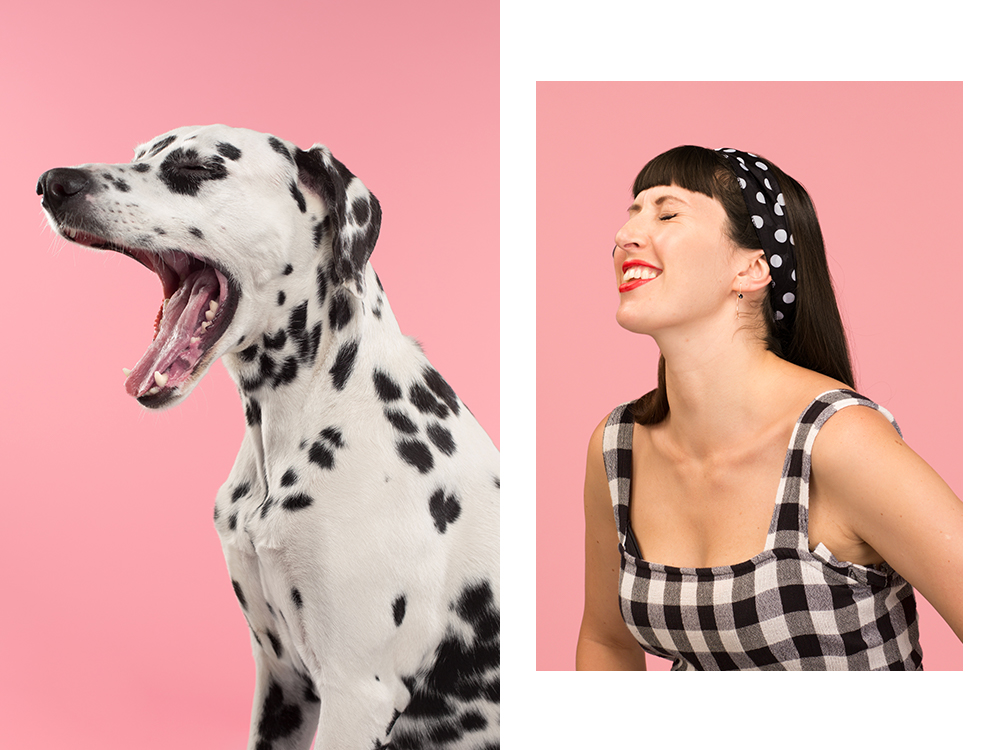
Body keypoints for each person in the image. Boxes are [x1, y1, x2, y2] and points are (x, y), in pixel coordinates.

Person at [575, 146, 962, 671]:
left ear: (752, 268)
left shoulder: (840, 441)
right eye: (632, 214)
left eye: (667, 213)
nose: (625, 236)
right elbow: (606, 641)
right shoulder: (618, 446)